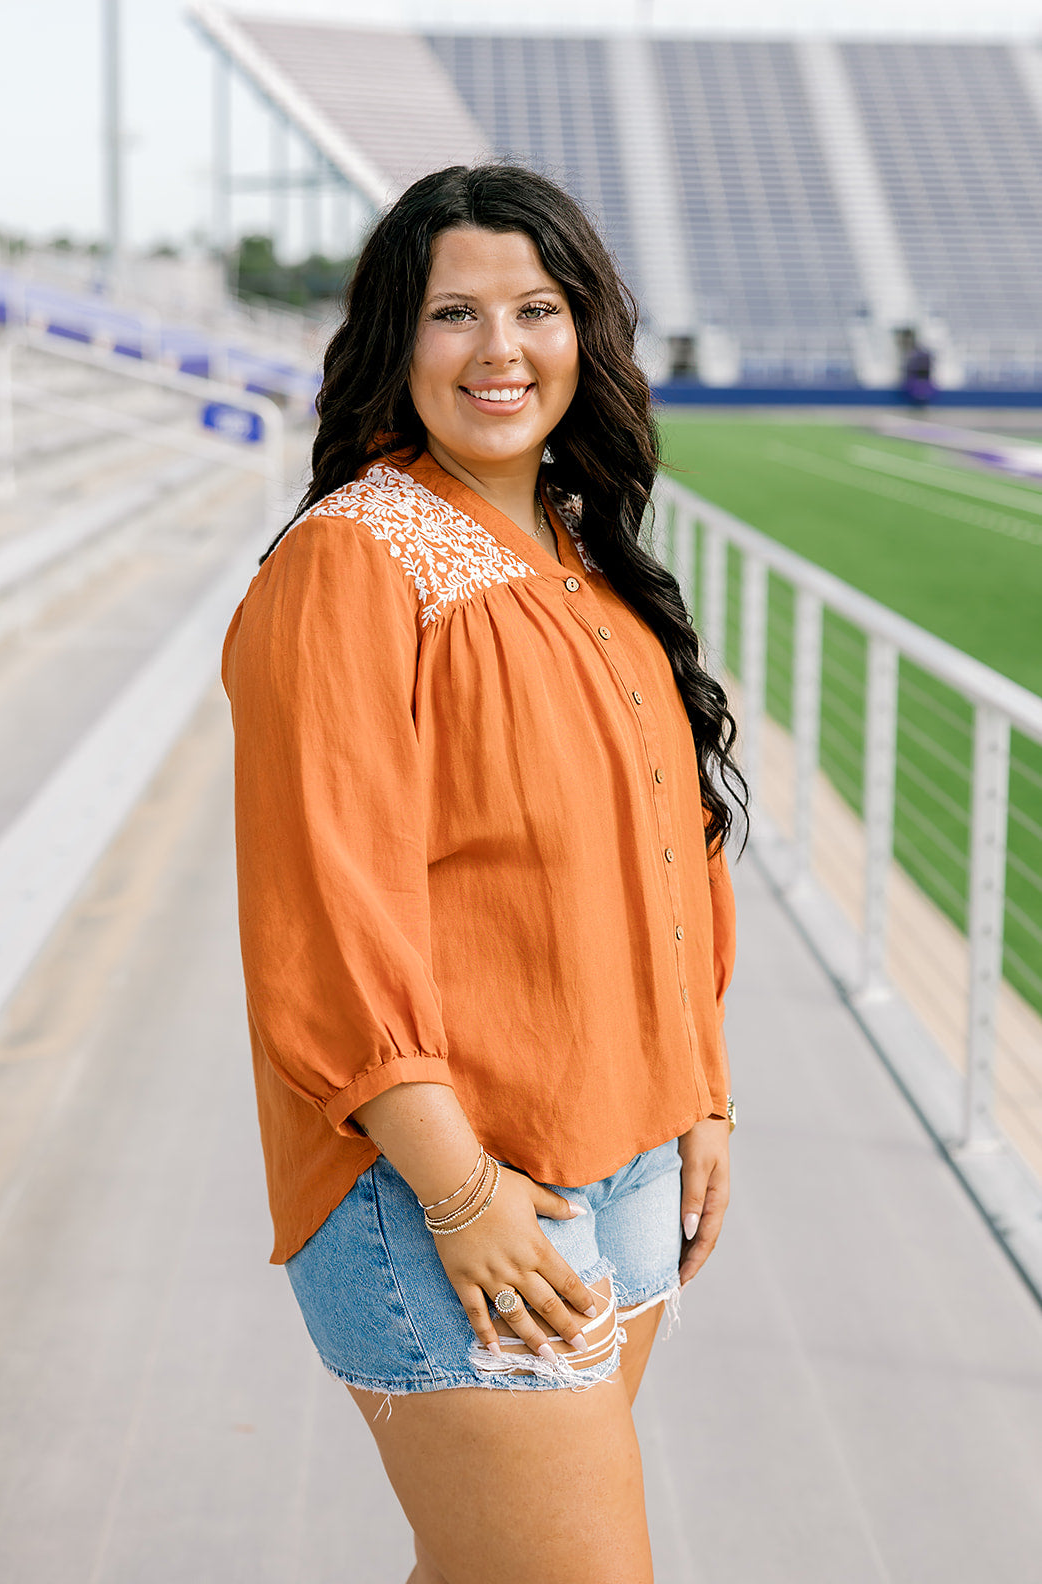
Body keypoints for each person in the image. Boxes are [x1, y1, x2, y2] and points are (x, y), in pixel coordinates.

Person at [222, 163, 746, 1584]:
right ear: (398, 336)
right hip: (451, 1188)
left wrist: (699, 1085)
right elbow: (324, 920)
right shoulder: (352, 562)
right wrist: (461, 1196)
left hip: (625, 1159)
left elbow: (663, 853)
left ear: (588, 332)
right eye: (456, 312)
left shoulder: (581, 551)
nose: (500, 350)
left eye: (537, 307)